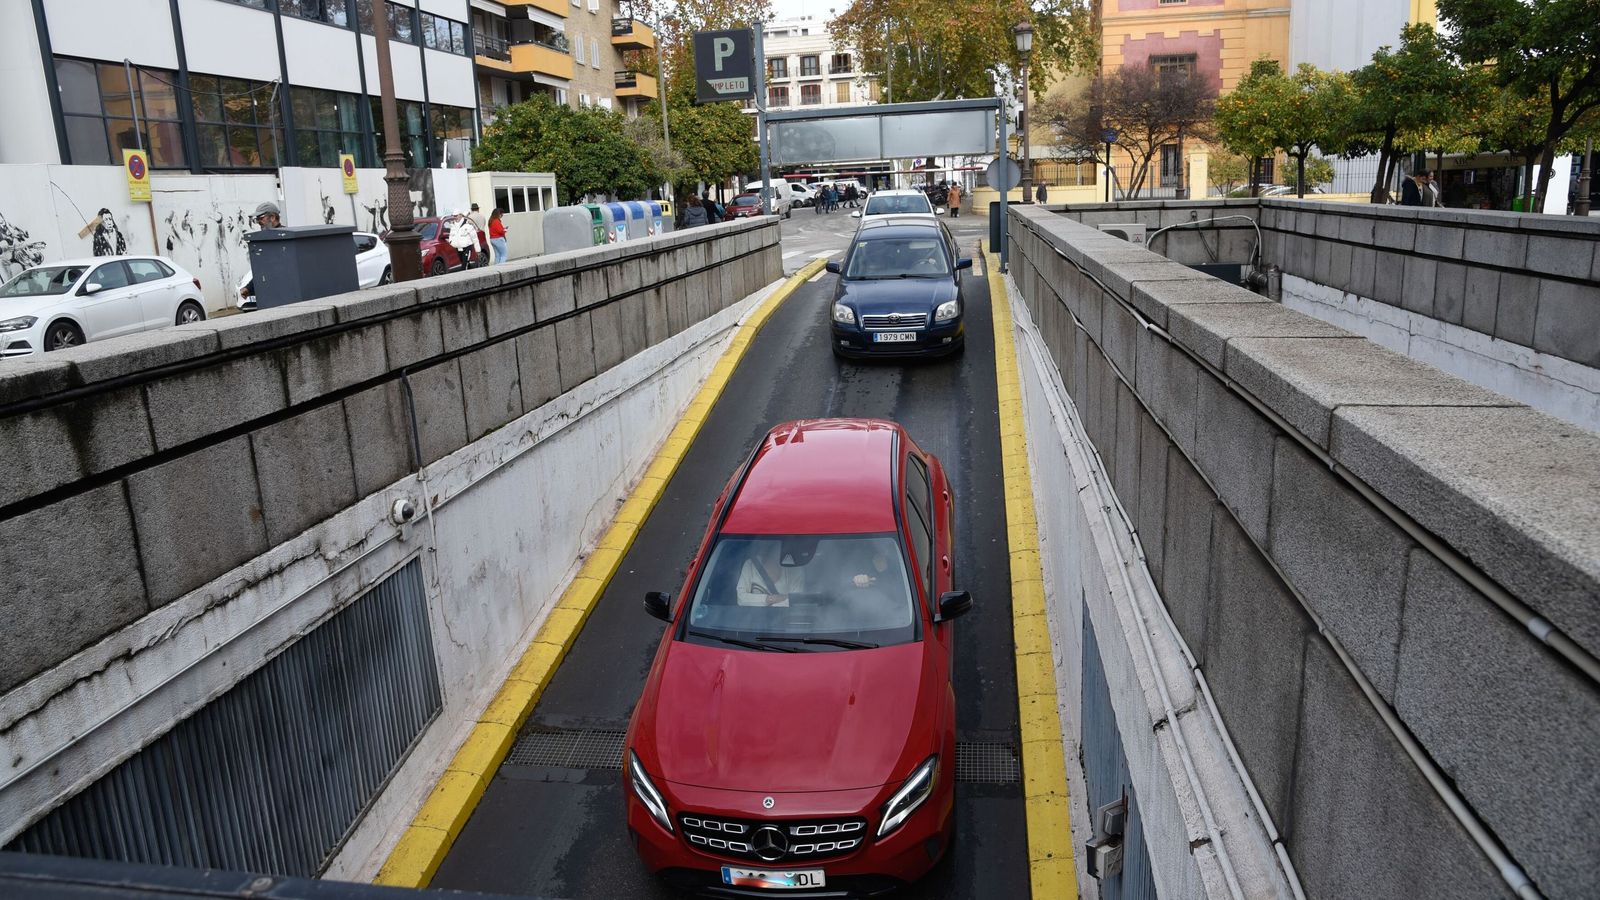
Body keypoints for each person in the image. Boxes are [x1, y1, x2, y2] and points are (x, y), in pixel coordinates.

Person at [737, 541, 802, 607]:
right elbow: (741, 598)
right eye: (764, 542)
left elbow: (796, 601)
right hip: (751, 616)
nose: (767, 546)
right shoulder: (750, 565)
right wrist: (769, 599)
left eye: (772, 545)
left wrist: (772, 608)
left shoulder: (794, 568)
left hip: (784, 616)